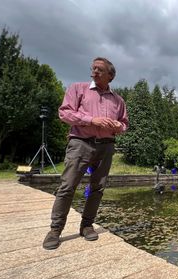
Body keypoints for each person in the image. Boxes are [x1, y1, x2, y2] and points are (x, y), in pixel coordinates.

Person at [43, 57, 128, 250]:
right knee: (67, 186)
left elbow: (124, 123)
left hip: (106, 146)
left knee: (97, 188)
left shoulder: (118, 100)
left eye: (99, 69)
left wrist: (118, 126)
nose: (94, 71)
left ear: (110, 76)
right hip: (81, 143)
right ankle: (55, 230)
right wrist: (92, 120)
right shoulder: (78, 88)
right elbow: (64, 113)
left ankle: (87, 225)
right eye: (93, 68)